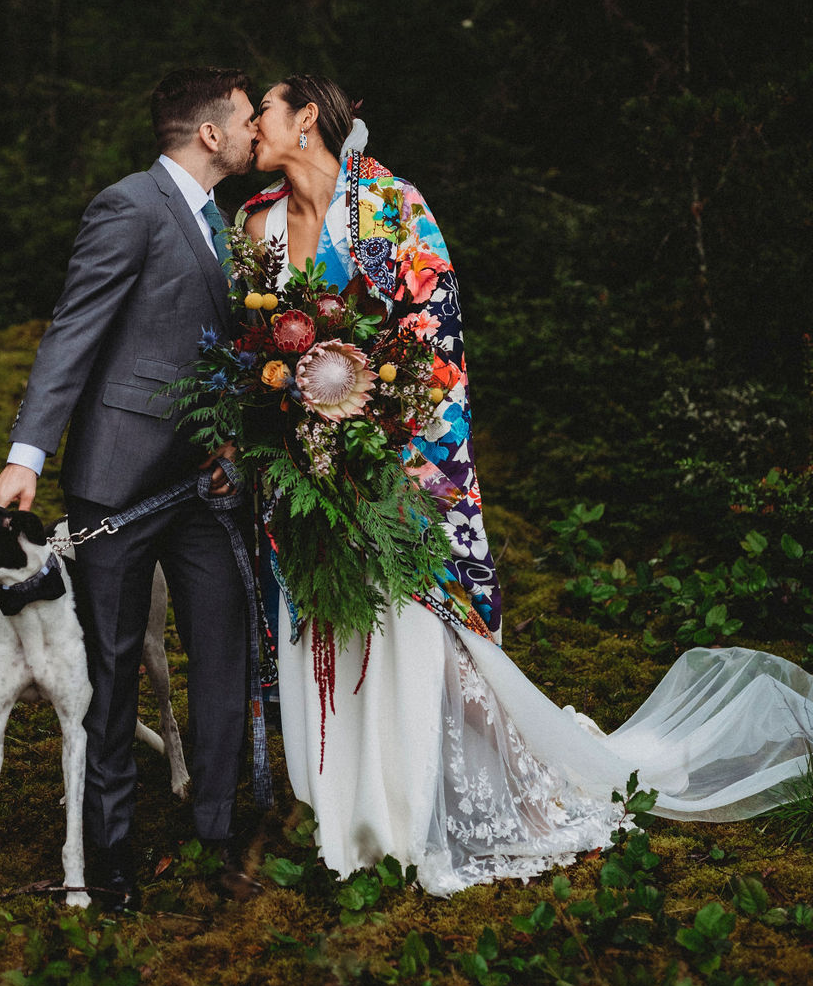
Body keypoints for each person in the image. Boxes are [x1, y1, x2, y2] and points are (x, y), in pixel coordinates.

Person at [242, 75, 813, 895]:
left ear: (306, 118)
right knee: (327, 628)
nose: (250, 122)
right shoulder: (255, 223)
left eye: (262, 107)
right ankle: (344, 818)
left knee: (418, 636)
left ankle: (463, 800)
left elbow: (436, 335)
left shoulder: (391, 207)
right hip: (298, 473)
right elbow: (248, 341)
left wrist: (381, 442)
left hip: (388, 463)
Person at [0, 66, 263, 906]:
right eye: (246, 119)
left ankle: (219, 832)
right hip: (117, 483)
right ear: (209, 133)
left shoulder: (227, 223)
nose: (256, 130)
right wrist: (27, 456)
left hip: (208, 485)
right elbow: (73, 332)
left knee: (223, 653)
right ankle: (107, 859)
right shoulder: (129, 206)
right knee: (109, 670)